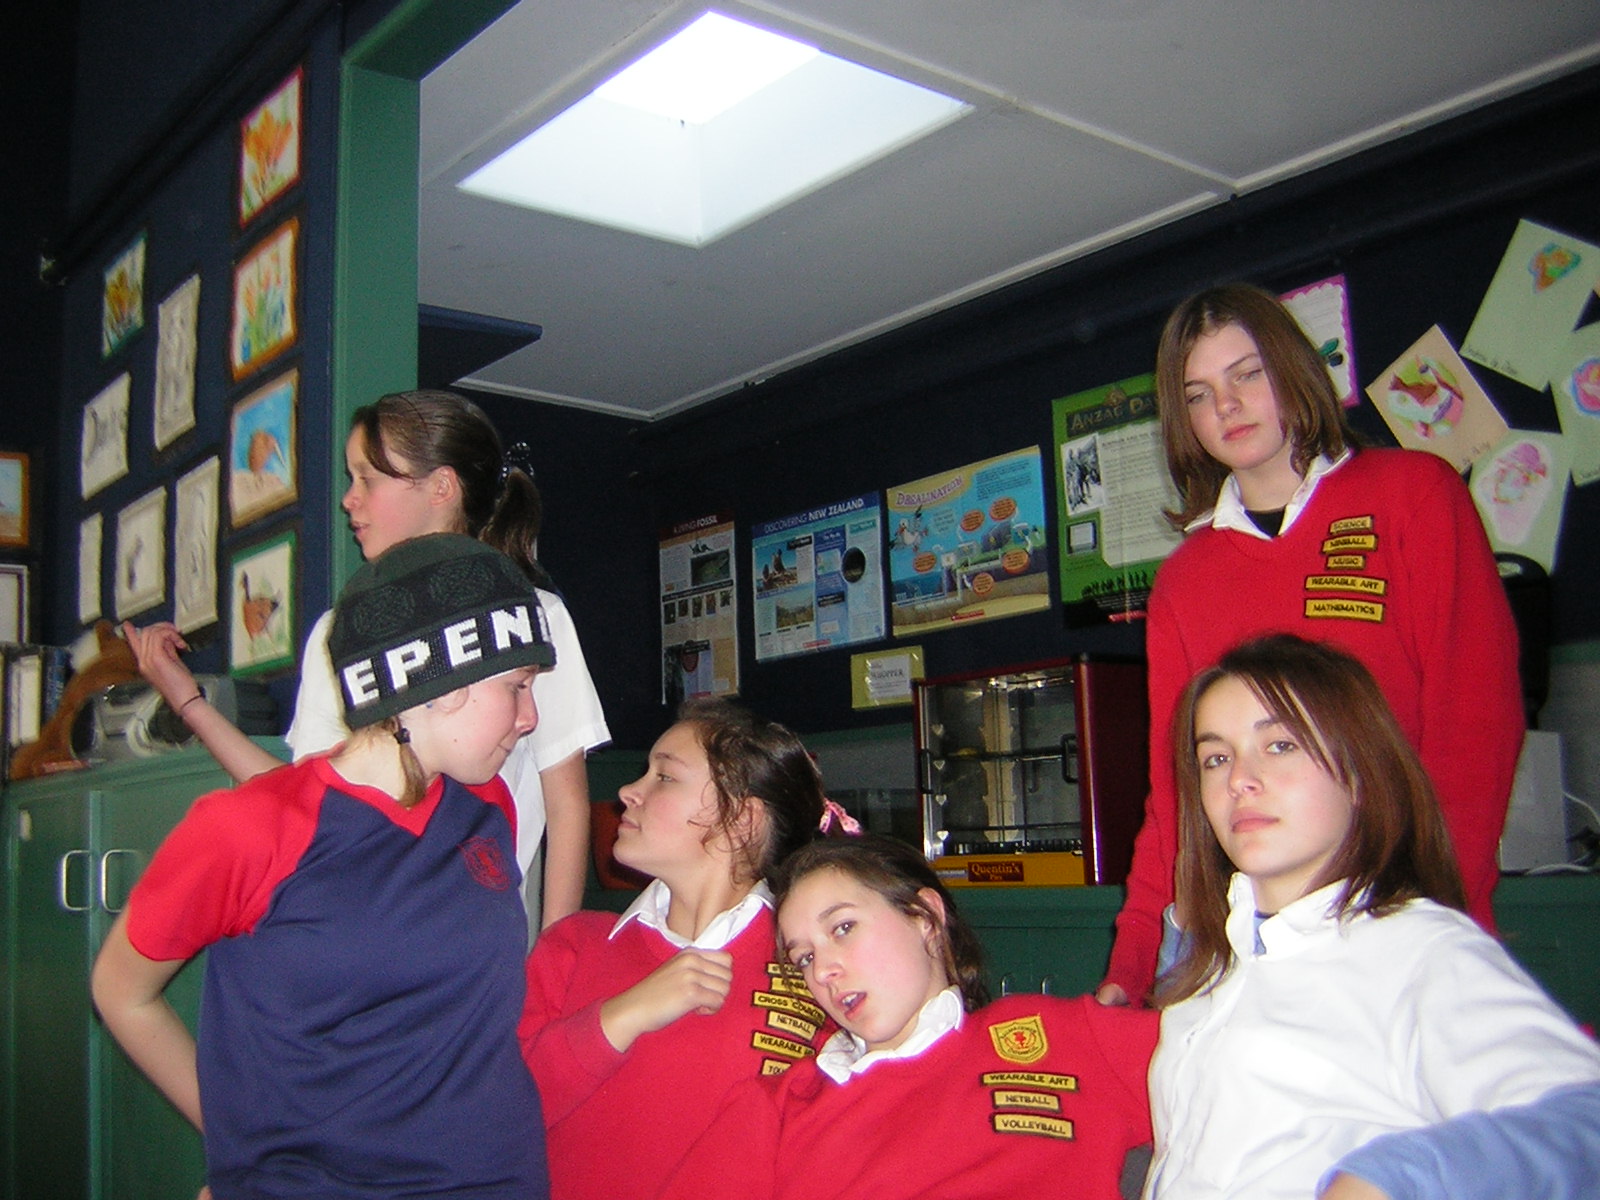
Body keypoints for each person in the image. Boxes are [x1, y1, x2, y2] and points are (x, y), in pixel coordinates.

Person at [92, 535, 558, 1199]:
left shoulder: (487, 808)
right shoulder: (244, 831)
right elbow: (121, 991)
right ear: (435, 682)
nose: (530, 716)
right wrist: (245, 1154)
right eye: (516, 686)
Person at [1099, 282, 1523, 1006]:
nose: (1226, 406)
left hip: (1394, 916)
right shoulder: (1185, 579)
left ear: (1294, 369)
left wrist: (1433, 910)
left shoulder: (1413, 496)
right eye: (1199, 394)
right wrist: (1133, 960)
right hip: (1236, 942)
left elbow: (1476, 724)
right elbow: (1176, 792)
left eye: (1247, 374)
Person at [125, 390, 609, 933]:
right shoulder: (338, 632)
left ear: (441, 488)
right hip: (352, 935)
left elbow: (566, 807)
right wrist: (188, 702)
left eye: (368, 479)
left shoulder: (532, 616)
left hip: (478, 945)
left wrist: (554, 960)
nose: (348, 500)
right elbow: (301, 795)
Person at [1144, 635, 1600, 1200]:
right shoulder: (1215, 964)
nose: (1239, 779)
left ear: (1359, 771)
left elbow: (1584, 1122)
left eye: (1280, 745)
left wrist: (1396, 1176)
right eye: (1216, 758)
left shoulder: (1421, 952)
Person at [656, 834, 1158, 1200]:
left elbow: (1208, 1063)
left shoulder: (1065, 1036)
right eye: (804, 957)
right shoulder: (780, 1106)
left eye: (843, 928)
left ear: (924, 918)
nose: (823, 971)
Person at [519, 699, 828, 1200]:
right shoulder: (574, 946)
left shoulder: (812, 968)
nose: (628, 791)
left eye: (664, 776)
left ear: (741, 819)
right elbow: (498, 1114)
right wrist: (622, 1015)